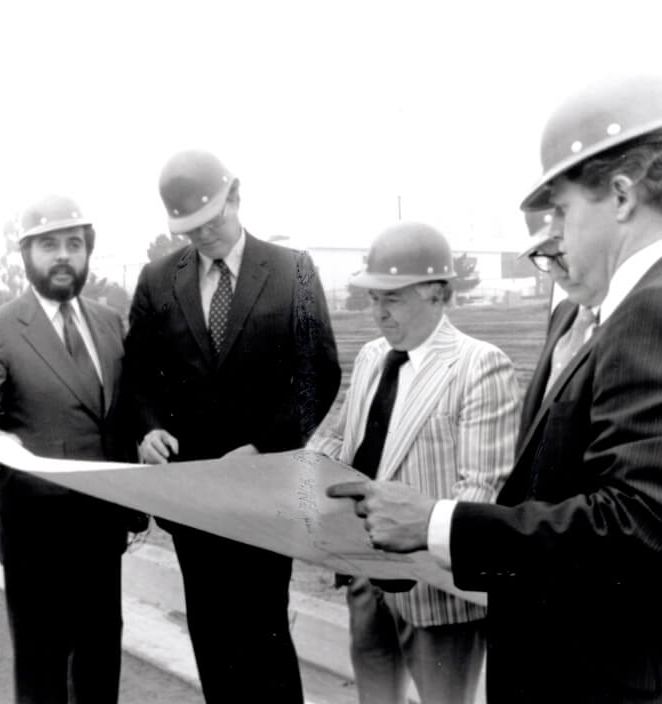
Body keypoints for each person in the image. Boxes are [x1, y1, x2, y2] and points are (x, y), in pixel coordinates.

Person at [328, 75, 662, 702]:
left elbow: (639, 524)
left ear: (620, 195)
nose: (554, 234)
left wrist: (434, 520)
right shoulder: (613, 312)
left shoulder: (649, 311)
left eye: (561, 210)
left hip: (595, 674)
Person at [124, 149, 341, 704]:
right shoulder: (157, 280)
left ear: (236, 197)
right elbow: (139, 376)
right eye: (189, 230)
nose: (203, 237)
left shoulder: (293, 270)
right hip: (193, 495)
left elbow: (319, 374)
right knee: (212, 641)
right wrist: (147, 429)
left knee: (266, 636)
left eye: (211, 222)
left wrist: (264, 446)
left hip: (264, 488)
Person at [308, 222, 519, 704]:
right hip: (366, 579)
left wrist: (421, 547)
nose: (379, 313)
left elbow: (482, 490)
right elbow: (339, 439)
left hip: (436, 597)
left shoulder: (479, 365)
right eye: (373, 298)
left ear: (438, 294)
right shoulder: (369, 357)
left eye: (394, 298)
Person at [0, 194, 141, 704]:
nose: (63, 256)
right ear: (26, 256)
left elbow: (119, 412)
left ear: (87, 252)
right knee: (41, 673)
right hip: (36, 531)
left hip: (102, 531)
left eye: (74, 244)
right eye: (49, 245)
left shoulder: (107, 322)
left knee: (101, 666)